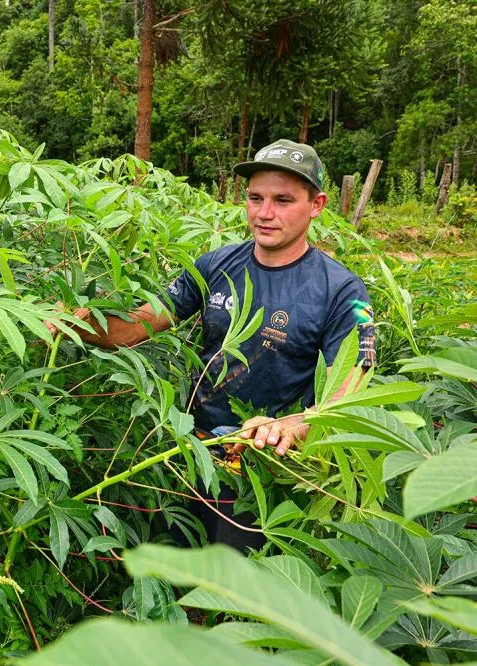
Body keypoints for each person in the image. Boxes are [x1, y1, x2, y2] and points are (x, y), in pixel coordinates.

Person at [56, 139, 376, 550]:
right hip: (192, 450)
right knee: (173, 569)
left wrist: (294, 425)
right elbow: (135, 328)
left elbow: (349, 387)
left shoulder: (342, 291)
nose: (264, 213)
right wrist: (75, 324)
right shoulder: (215, 266)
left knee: (232, 595)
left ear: (316, 205)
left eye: (283, 200)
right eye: (255, 198)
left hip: (261, 467)